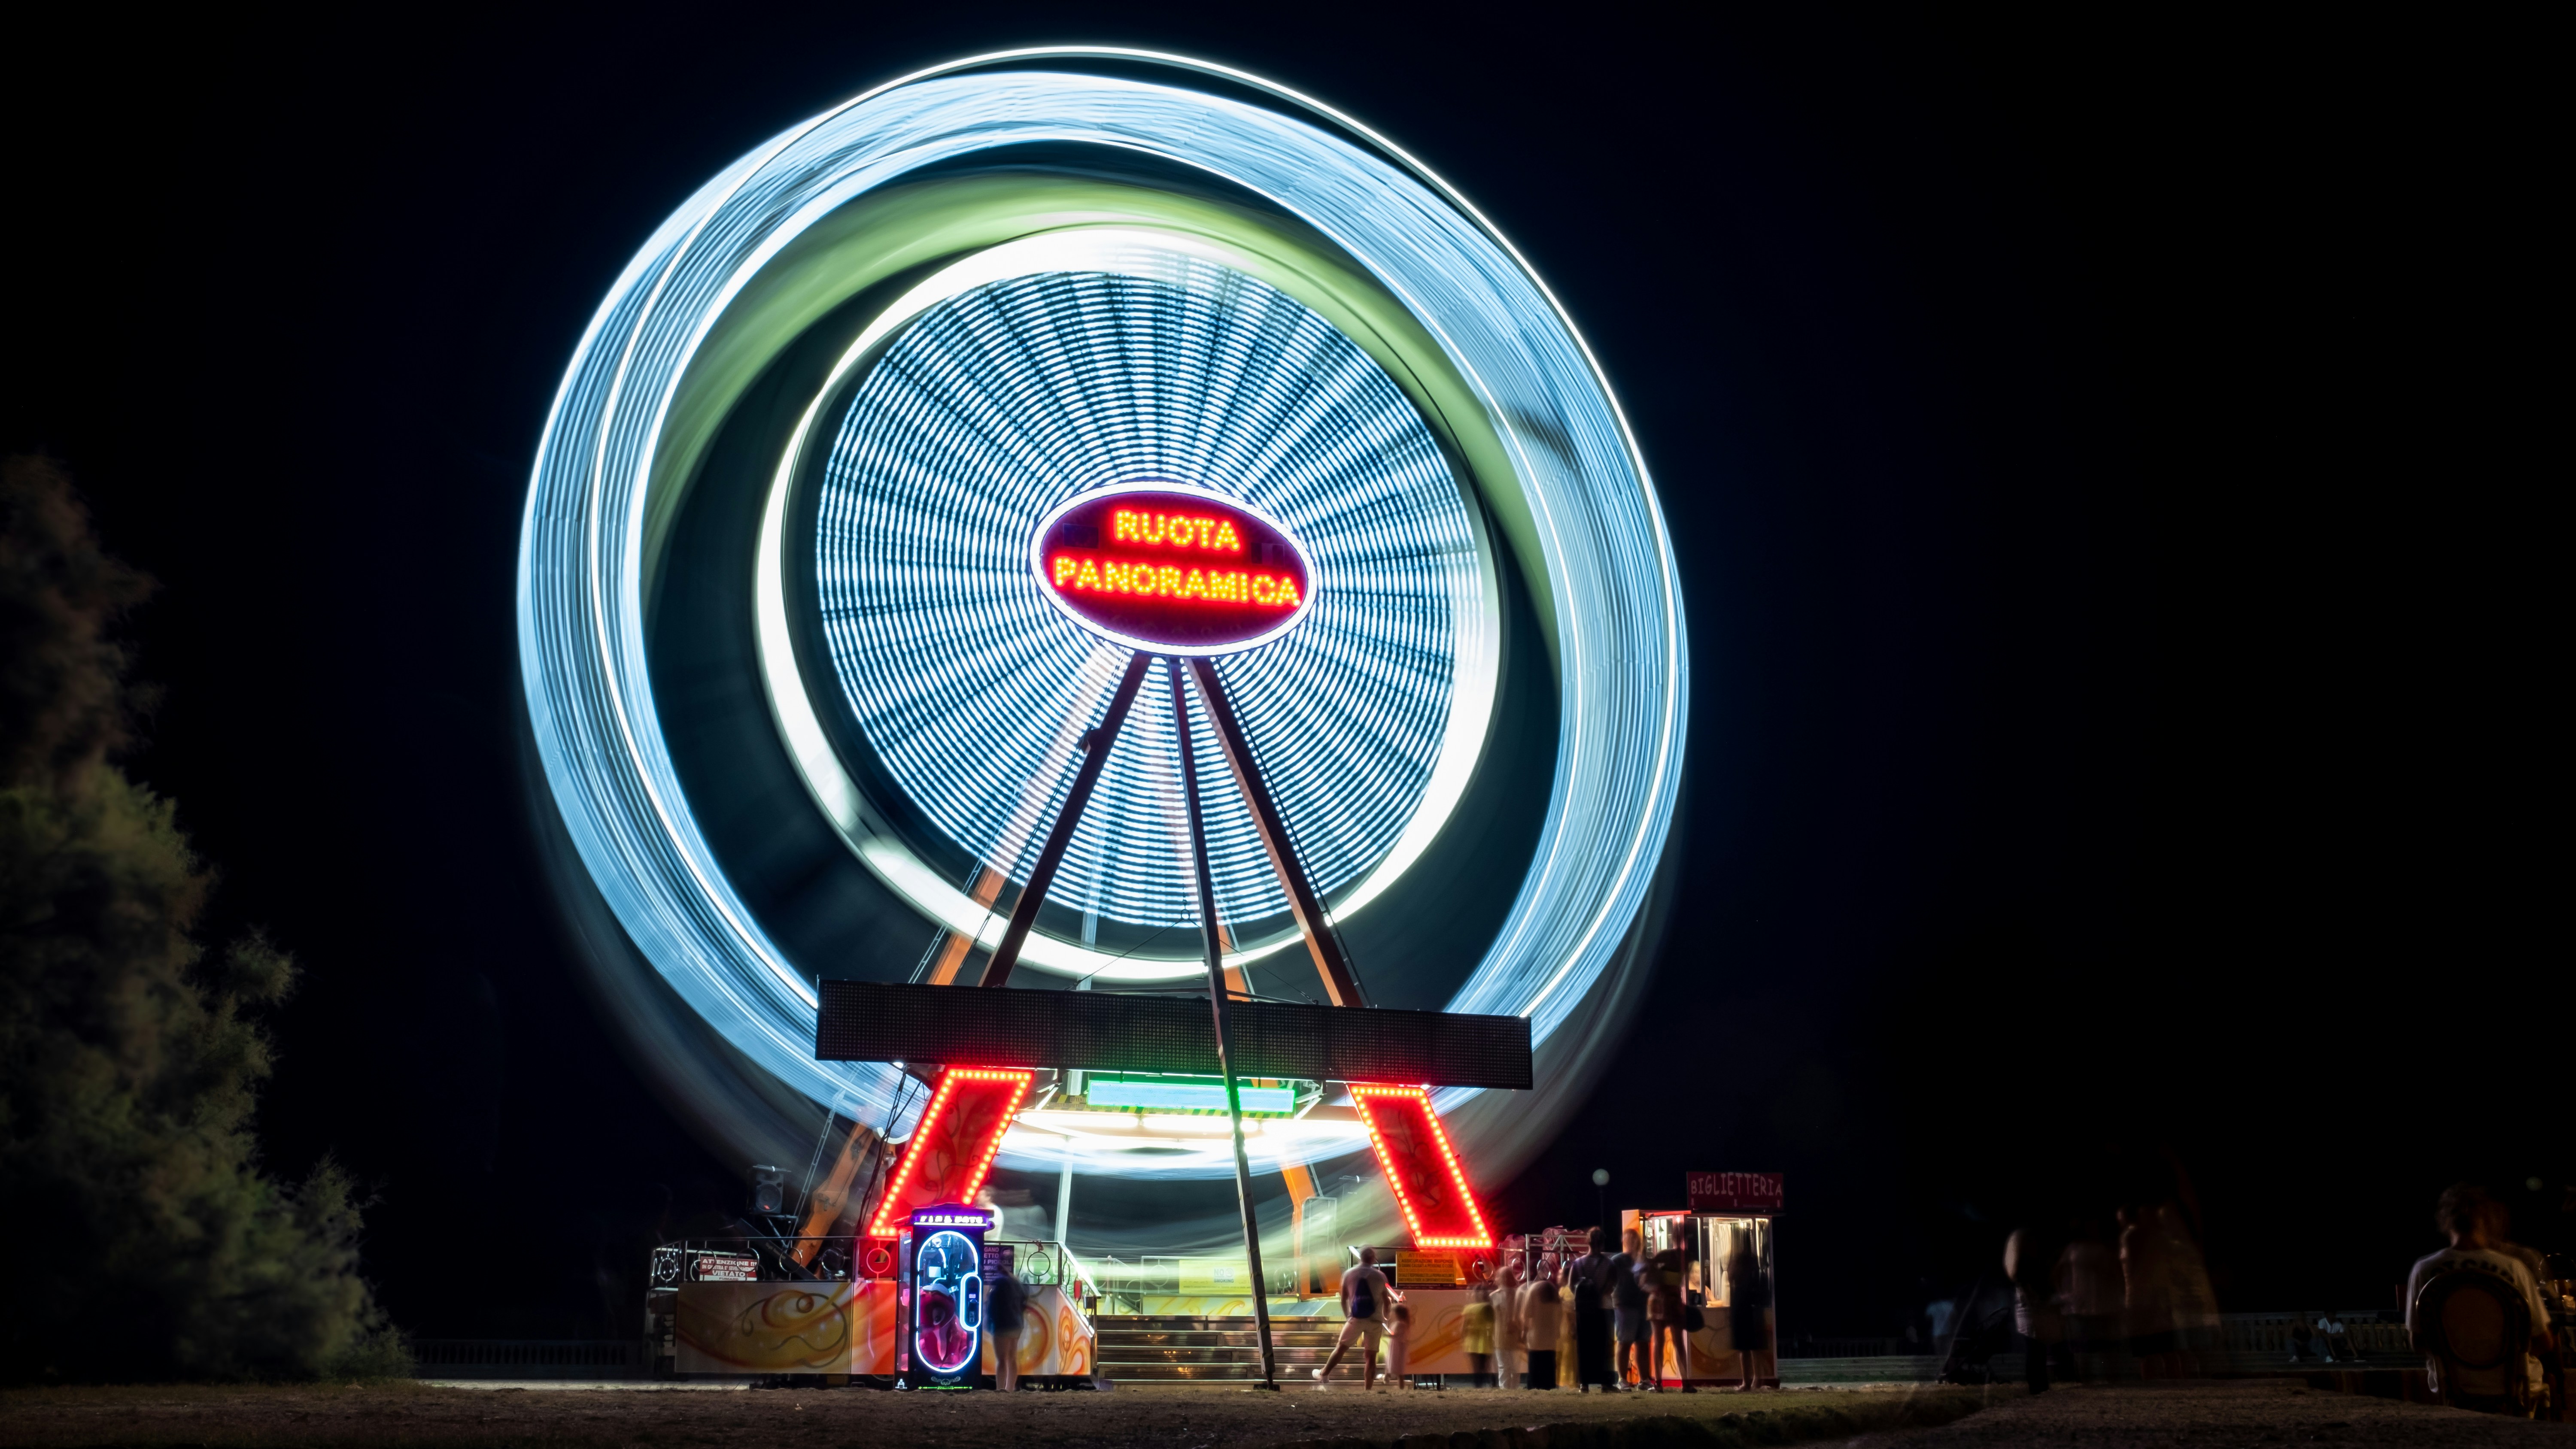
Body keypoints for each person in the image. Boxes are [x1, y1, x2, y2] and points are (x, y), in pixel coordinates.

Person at [2405, 1182, 2556, 1410]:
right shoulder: (2513, 1268)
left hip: (2454, 1389)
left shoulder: (2424, 1269)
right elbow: (2544, 1342)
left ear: (2445, 1222)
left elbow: (2418, 1343)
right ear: (2488, 1222)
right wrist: (2501, 1359)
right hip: (2515, 1387)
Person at [1314, 1247, 1400, 1390]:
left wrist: (1348, 1315)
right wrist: (1385, 1318)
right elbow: (1386, 1299)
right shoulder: (1381, 1276)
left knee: (1341, 1347)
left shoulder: (1349, 1274)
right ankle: (1368, 1389)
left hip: (1356, 1319)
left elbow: (1343, 1299)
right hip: (1375, 1321)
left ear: (1360, 1257)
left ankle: (1324, 1374)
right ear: (1373, 1259)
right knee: (1371, 1357)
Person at [2054, 1219, 2120, 1383]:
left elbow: (2114, 1275)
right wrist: (2065, 1294)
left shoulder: (2097, 1249)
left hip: (2099, 1307)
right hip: (2082, 1308)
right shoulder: (2074, 1249)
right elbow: (2057, 1272)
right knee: (2084, 1350)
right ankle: (2088, 1384)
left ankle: (2107, 1382)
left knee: (2102, 1350)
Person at [2003, 1227, 2062, 1394]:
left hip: (2028, 1315)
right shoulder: (2027, 1267)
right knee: (2036, 1352)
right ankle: (2038, 1387)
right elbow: (2036, 1295)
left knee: (2035, 1352)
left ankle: (2038, 1387)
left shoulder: (2020, 1268)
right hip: (2033, 1315)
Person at [1566, 1228, 1617, 1391]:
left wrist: (1583, 1297)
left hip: (1582, 1309)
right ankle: (1605, 1383)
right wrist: (1598, 1295)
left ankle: (1584, 1383)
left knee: (1584, 1346)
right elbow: (1611, 1286)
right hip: (1601, 1309)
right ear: (1602, 1243)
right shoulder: (1609, 1263)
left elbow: (1571, 1285)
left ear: (1587, 1242)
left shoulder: (1578, 1263)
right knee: (1603, 1347)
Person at [1727, 1233, 1773, 1392]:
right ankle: (1757, 1380)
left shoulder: (1737, 1261)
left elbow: (1731, 1278)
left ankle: (1747, 1382)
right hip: (1753, 1306)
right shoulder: (1754, 1261)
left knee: (1744, 1347)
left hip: (1741, 1304)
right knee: (1754, 1346)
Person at [1644, 1246, 1694, 1391]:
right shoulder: (1681, 1259)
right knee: (1675, 1342)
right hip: (1670, 1300)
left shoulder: (1664, 1257)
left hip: (1661, 1300)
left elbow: (1646, 1281)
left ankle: (1660, 1383)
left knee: (1660, 1342)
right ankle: (1684, 1382)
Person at [1612, 1229, 1650, 1389]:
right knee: (1624, 1342)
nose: (1635, 1242)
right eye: (1631, 1239)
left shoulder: (1644, 1260)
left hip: (1643, 1306)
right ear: (1624, 1241)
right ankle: (1622, 1379)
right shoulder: (1618, 1261)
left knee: (1643, 1343)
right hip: (1625, 1306)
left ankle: (1645, 1380)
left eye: (1637, 1239)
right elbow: (1611, 1281)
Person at [987, 1268, 1028, 1391]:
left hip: (1002, 1326)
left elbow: (992, 1308)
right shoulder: (1017, 1285)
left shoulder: (998, 1285)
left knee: (1001, 1360)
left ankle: (1000, 1389)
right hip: (1017, 1325)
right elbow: (1024, 1303)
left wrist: (990, 1323)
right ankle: (1010, 1388)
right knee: (1012, 1358)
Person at [1520, 1276, 1563, 1390]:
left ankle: (1534, 1385)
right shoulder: (1554, 1292)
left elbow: (1527, 1314)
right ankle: (1549, 1386)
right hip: (1551, 1337)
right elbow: (1560, 1314)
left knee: (1535, 1365)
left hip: (1536, 1336)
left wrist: (1524, 1334)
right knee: (1549, 1365)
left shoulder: (1533, 1290)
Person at [1492, 1258, 1525, 1389]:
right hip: (1501, 1335)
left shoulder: (1519, 1295)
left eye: (1498, 1277)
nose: (1496, 1280)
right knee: (1506, 1366)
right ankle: (1507, 1389)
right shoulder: (1494, 1296)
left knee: (1513, 1366)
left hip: (1514, 1336)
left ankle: (1511, 1389)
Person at [1463, 1281, 1497, 1387]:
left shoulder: (1468, 1309)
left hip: (1472, 1341)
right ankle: (1491, 1384)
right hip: (1484, 1340)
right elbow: (1492, 1324)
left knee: (1477, 1369)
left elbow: (1463, 1328)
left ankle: (1479, 1386)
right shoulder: (1488, 1308)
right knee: (1485, 1367)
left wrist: (1463, 1340)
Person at [1387, 1301, 1414, 1389]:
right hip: (1395, 1347)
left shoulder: (1400, 1324)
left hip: (1398, 1348)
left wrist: (1387, 1335)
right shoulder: (1398, 1324)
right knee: (1392, 1365)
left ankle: (1398, 1386)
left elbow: (1396, 1335)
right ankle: (1388, 1375)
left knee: (1399, 1371)